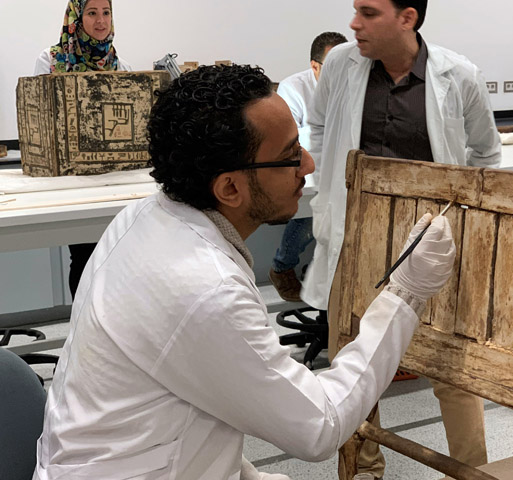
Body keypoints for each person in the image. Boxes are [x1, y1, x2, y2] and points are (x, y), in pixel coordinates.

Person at [33, 64, 457, 480]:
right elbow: (320, 426)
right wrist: (406, 292)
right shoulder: (206, 289)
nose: (308, 165)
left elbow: (182, 394)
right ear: (230, 188)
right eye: (290, 156)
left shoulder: (140, 216)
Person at [302, 0, 502, 478]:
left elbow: (486, 155)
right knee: (352, 359)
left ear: (407, 18)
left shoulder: (459, 75)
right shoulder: (341, 64)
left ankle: (471, 471)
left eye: (369, 13)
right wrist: (326, 193)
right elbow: (320, 127)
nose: (354, 23)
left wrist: (463, 221)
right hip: (355, 238)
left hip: (430, 239)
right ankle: (364, 470)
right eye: (356, 10)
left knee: (452, 369)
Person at [33, 0, 130, 300]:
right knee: (85, 257)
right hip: (72, 180)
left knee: (119, 256)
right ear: (76, 17)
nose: (101, 21)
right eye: (92, 13)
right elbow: (41, 117)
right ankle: (83, 321)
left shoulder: (119, 65)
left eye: (106, 13)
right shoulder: (51, 60)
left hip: (114, 180)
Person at [269, 31, 347, 302]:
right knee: (309, 218)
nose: (342, 72)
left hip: (341, 168)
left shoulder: (351, 86)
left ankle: (318, 273)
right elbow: (290, 138)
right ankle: (282, 267)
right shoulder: (293, 88)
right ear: (315, 66)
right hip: (306, 169)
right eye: (333, 65)